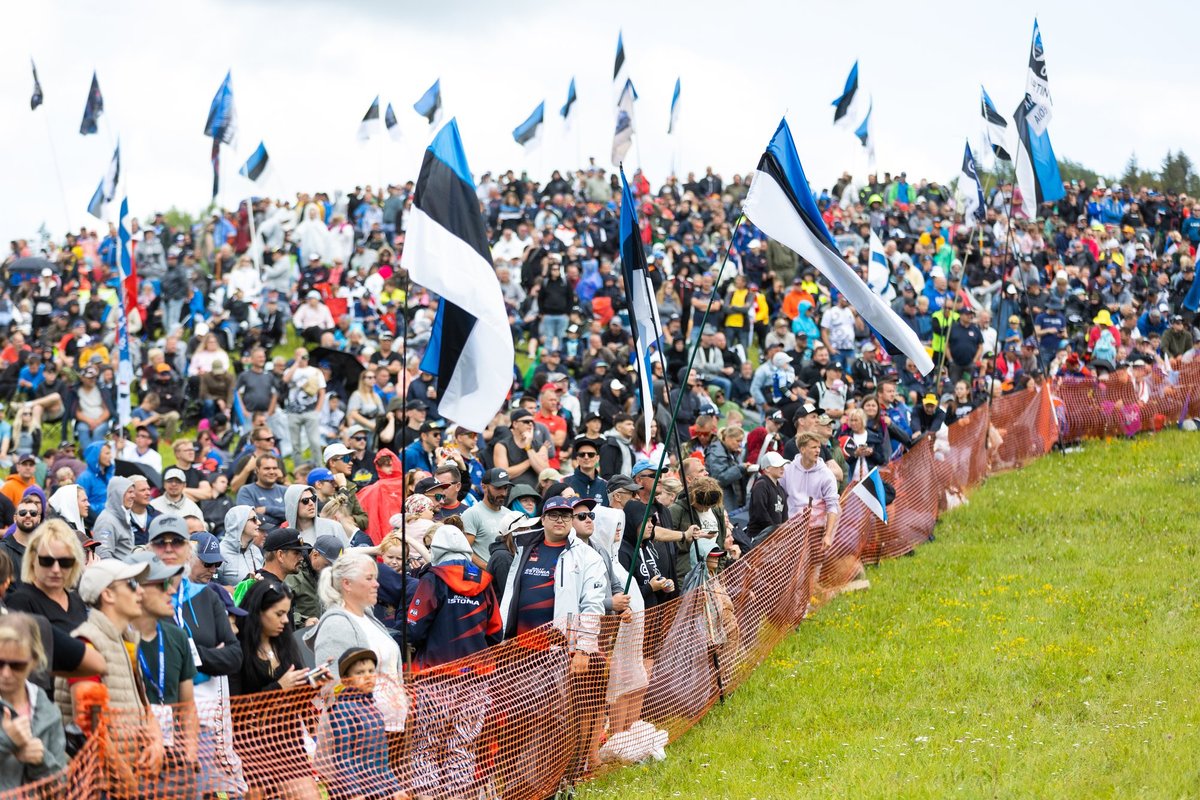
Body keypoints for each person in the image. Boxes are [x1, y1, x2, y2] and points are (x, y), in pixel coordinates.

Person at [405, 526, 502, 799]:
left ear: (436, 550)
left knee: (426, 746)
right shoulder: (485, 581)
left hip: (436, 676)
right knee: (463, 745)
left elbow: (414, 628)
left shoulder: (433, 579)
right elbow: (496, 630)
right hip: (476, 678)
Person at [69, 559, 165, 791]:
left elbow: (143, 705)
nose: (140, 590)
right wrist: (125, 780)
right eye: (131, 584)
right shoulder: (86, 642)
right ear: (108, 595)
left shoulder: (126, 640)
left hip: (130, 776)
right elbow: (89, 727)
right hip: (101, 785)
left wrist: (156, 741)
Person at [230, 579, 319, 800]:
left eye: (287, 614)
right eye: (278, 614)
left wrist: (314, 684)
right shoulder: (237, 650)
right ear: (258, 611)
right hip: (251, 747)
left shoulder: (287, 645)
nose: (285, 620)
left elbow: (296, 701)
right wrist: (278, 688)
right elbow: (235, 709)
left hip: (288, 743)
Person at [128, 552, 198, 797]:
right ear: (136, 589)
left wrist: (189, 754)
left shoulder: (176, 636)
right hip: (134, 764)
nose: (170, 591)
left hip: (176, 765)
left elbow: (187, 706)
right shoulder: (118, 640)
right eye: (160, 585)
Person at [314, 648, 404, 800]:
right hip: (353, 792)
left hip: (378, 790)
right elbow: (343, 758)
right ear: (346, 680)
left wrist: (395, 788)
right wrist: (354, 792)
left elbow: (382, 759)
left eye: (371, 670)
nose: (368, 676)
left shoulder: (374, 711)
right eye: (360, 672)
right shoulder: (341, 709)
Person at [0, 616, 67, 790]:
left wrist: (40, 760)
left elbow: (61, 785)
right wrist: (5, 740)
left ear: (34, 662)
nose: (6, 673)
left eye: (17, 665)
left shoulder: (49, 712)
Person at [7, 521, 88, 635]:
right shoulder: (20, 602)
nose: (56, 569)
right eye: (47, 561)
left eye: (65, 562)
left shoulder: (76, 600)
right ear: (32, 559)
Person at [780, 431, 841, 548]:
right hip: (791, 527)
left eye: (819, 447)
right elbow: (778, 494)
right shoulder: (788, 469)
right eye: (813, 447)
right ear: (802, 450)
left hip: (816, 529)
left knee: (814, 565)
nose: (818, 450)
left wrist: (828, 535)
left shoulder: (827, 474)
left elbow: (832, 506)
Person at [461, 467, 515, 567]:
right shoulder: (472, 513)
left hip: (506, 573)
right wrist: (487, 568)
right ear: (484, 487)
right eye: (498, 488)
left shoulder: (509, 514)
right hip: (483, 577)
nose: (503, 493)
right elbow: (464, 550)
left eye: (505, 488)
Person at [286, 535, 342, 629]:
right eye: (327, 565)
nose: (330, 569)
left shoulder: (327, 575)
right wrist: (303, 621)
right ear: (315, 555)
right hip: (299, 635)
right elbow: (280, 611)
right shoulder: (294, 575)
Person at [0, 489, 45, 586]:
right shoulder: (3, 550)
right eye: (23, 513)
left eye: (33, 513)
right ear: (15, 518)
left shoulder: (45, 548)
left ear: (39, 518)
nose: (28, 515)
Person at [234, 453, 288, 527]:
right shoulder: (246, 491)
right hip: (261, 537)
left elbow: (295, 514)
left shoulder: (286, 491)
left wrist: (267, 509)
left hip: (287, 536)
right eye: (267, 468)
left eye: (275, 468)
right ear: (257, 470)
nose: (272, 472)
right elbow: (249, 519)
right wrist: (282, 519)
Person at [747, 451, 789, 542]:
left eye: (783, 465)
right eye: (778, 466)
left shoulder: (780, 489)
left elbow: (784, 516)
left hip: (774, 539)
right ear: (767, 468)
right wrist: (774, 532)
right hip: (759, 538)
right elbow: (760, 513)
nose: (782, 468)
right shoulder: (761, 485)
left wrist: (783, 531)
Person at [217, 505, 264, 587]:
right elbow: (216, 588)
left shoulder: (256, 550)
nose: (259, 522)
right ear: (239, 523)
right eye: (254, 519)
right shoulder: (220, 552)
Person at [91, 476, 135, 561]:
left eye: (133, 492)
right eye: (129, 492)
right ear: (118, 494)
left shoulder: (122, 516)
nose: (133, 496)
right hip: (117, 573)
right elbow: (103, 556)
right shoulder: (106, 521)